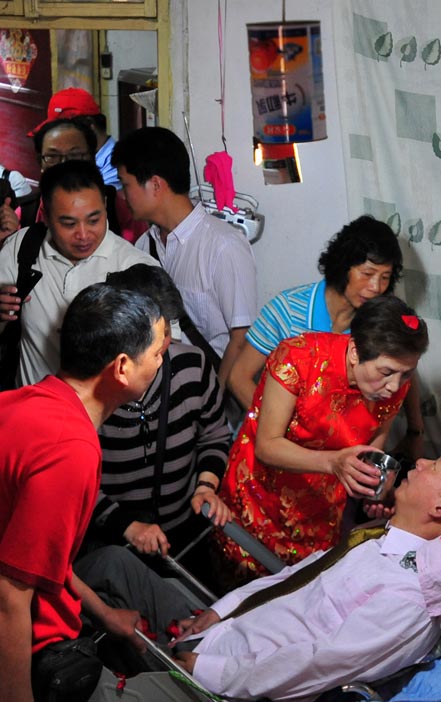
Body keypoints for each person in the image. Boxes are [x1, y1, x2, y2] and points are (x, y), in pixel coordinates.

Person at [80, 448, 441, 702]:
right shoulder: (378, 538)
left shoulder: (409, 597)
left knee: (85, 691)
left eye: (436, 466)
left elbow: (314, 664)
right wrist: (220, 611)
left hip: (228, 684)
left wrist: (205, 668)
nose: (423, 460)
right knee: (113, 562)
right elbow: (291, 579)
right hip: (225, 627)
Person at [0, 283, 167, 702]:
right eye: (159, 353)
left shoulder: (27, 399)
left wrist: (105, 613)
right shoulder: (70, 450)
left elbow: (35, 552)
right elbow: (9, 595)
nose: (163, 362)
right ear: (123, 367)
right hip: (36, 650)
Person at [215, 295, 429, 580]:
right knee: (239, 592)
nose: (394, 386)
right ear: (355, 351)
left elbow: (370, 451)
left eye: (406, 374)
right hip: (261, 497)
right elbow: (267, 445)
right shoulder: (299, 358)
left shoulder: (396, 385)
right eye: (387, 372)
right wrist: (333, 463)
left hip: (321, 511)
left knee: (299, 593)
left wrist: (374, 493)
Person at [228, 214, 427, 462]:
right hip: (274, 452)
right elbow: (238, 378)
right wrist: (286, 432)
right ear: (343, 266)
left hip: (337, 459)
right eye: (367, 273)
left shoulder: (376, 325)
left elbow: (401, 372)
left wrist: (415, 431)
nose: (376, 287)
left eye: (385, 277)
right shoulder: (289, 310)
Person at [87, 264, 233, 567]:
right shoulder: (88, 385)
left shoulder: (193, 364)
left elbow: (215, 435)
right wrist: (126, 525)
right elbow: (76, 481)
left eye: (168, 328)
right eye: (155, 333)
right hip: (115, 544)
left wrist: (206, 486)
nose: (165, 342)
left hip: (184, 532)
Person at [113, 126, 258, 395]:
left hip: (210, 397)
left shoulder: (223, 246)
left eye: (126, 184)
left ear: (155, 184)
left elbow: (241, 339)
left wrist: (213, 403)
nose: (122, 195)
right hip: (163, 395)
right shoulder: (143, 246)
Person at [0, 159, 158, 388]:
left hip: (104, 421)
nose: (83, 235)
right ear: (45, 215)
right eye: (69, 223)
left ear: (105, 204)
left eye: (94, 220)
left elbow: (163, 352)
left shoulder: (135, 268)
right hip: (36, 415)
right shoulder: (22, 247)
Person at [29, 86, 120, 187]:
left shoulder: (116, 169)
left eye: (74, 155)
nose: (62, 163)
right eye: (52, 156)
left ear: (90, 126)